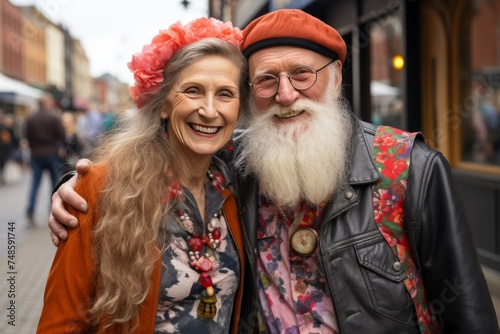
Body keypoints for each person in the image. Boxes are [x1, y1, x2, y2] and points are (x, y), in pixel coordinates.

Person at [48, 9, 499, 334]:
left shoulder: (412, 170)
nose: (285, 94)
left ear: (336, 77)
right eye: (266, 80)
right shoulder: (238, 168)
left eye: (302, 74)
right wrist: (75, 188)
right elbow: (163, 162)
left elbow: (469, 313)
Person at [37, 17, 247, 333]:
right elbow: (61, 323)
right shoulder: (100, 189)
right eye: (193, 90)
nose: (209, 109)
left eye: (225, 94)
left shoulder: (238, 187)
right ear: (162, 104)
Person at [25, 93, 66, 223]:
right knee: (55, 185)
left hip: (36, 154)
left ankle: (30, 212)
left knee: (35, 184)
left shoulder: (31, 118)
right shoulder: (53, 117)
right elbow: (62, 135)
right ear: (47, 103)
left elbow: (28, 137)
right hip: (51, 153)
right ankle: (54, 211)